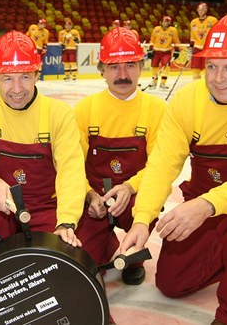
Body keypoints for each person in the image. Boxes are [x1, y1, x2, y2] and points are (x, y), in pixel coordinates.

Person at [120, 14, 227, 325]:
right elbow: (162, 165)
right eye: (212, 66)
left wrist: (204, 206)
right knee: (172, 285)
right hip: (206, 196)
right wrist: (141, 220)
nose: (217, 78)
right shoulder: (188, 100)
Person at [0, 31, 86, 253]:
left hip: (45, 207)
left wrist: (66, 221)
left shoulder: (59, 114)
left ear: (37, 74)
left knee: (60, 256)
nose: (16, 89)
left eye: (25, 77)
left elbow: (71, 172)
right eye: (8, 78)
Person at [74, 27, 166, 285]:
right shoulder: (84, 109)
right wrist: (89, 195)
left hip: (135, 195)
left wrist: (129, 187)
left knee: (145, 204)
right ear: (101, 70)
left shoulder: (157, 110)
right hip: (94, 199)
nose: (123, 75)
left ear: (141, 67)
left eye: (130, 65)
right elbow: (71, 166)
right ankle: (106, 239)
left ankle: (134, 258)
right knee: (85, 266)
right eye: (114, 67)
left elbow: (160, 167)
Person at [146, 16, 180, 89]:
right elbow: (152, 40)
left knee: (166, 68)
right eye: (164, 21)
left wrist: (177, 50)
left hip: (166, 52)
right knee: (154, 67)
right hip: (156, 51)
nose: (165, 23)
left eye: (167, 21)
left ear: (169, 22)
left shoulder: (173, 30)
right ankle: (154, 83)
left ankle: (163, 84)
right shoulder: (156, 29)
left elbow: (176, 41)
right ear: (161, 22)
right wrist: (150, 50)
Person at [189, 2, 218, 81]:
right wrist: (190, 49)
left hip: (208, 48)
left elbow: (217, 33)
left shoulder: (213, 20)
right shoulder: (193, 22)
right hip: (197, 48)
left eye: (203, 9)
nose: (201, 11)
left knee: (207, 69)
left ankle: (206, 86)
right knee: (195, 69)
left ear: (206, 10)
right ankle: (196, 86)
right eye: (200, 9)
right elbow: (192, 37)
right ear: (197, 10)